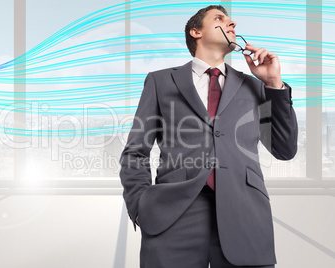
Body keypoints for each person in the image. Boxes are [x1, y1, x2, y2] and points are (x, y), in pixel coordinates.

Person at [119, 4, 298, 268]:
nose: (231, 23)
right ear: (196, 32)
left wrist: (273, 83)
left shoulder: (255, 86)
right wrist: (139, 205)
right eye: (219, 18)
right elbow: (135, 151)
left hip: (245, 216)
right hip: (173, 215)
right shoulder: (161, 82)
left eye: (231, 20)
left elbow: (284, 149)